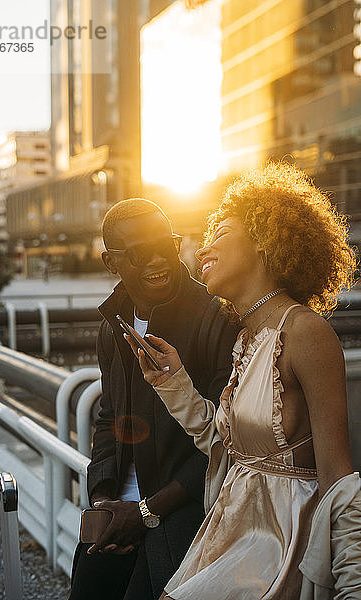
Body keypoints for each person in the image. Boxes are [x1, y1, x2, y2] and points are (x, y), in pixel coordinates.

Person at [125, 163, 361, 599]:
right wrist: (173, 383)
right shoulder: (246, 341)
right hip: (233, 531)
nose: (202, 250)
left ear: (264, 240)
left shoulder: (307, 332)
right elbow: (228, 448)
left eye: (220, 232)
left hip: (280, 545)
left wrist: (352, 587)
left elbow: (338, 477)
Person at [68, 198, 238, 600]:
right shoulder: (113, 324)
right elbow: (109, 417)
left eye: (168, 244)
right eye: (141, 252)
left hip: (187, 517)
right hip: (117, 516)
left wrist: (147, 512)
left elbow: (226, 439)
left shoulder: (217, 319)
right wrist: (104, 500)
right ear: (112, 263)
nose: (158, 259)